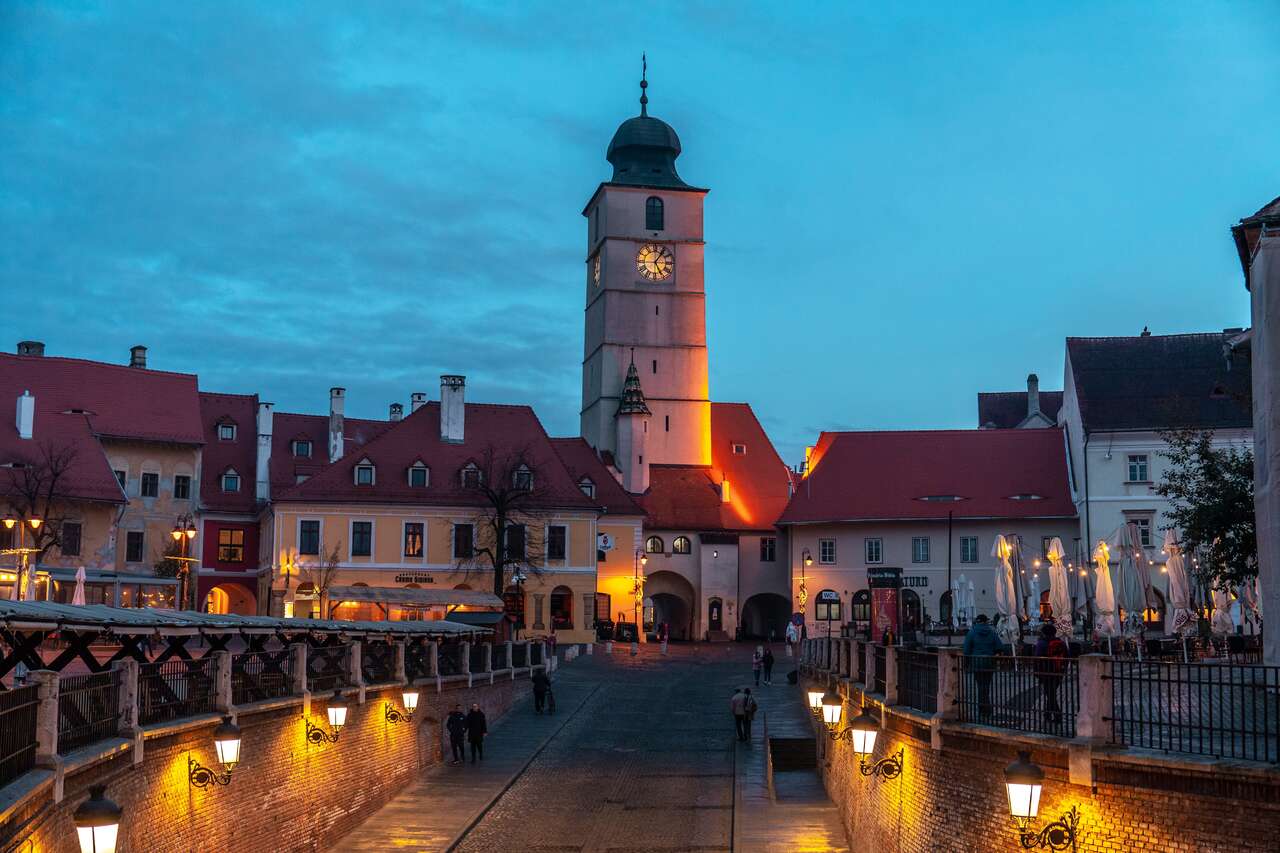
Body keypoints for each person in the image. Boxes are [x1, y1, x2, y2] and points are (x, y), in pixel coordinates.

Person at [962, 614, 1003, 719]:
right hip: (989, 662)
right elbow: (999, 647)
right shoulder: (992, 632)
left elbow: (966, 650)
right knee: (986, 686)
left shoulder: (972, 632)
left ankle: (983, 709)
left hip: (977, 662)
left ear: (977, 621)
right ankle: (985, 709)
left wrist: (966, 664)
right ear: (986, 621)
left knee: (980, 686)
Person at [1033, 623, 1070, 728]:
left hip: (1046, 673)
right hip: (1058, 672)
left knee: (1050, 694)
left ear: (1044, 633)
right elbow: (1067, 657)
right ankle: (1047, 714)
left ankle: (1057, 716)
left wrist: (1037, 673)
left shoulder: (1041, 643)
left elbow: (1037, 659)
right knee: (1050, 693)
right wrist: (1063, 670)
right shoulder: (1061, 643)